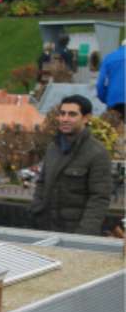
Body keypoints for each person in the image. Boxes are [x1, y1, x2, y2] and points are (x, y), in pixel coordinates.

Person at [29, 95, 113, 236]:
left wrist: (83, 235)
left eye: (72, 114)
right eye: (62, 114)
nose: (65, 119)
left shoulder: (97, 153)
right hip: (45, 228)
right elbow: (41, 183)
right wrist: (36, 209)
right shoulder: (53, 148)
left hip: (75, 233)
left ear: (86, 118)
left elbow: (99, 199)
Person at [96, 39, 125, 119]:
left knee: (114, 125)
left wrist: (105, 99)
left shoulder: (109, 57)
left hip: (114, 100)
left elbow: (100, 83)